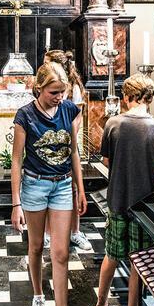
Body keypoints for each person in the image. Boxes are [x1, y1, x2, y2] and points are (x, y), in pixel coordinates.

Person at [11, 62, 92, 306]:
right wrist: (16, 202)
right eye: (54, 92)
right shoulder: (25, 115)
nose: (59, 97)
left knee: (60, 253)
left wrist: (80, 189)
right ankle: (36, 294)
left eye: (62, 92)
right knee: (35, 248)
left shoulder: (70, 109)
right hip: (33, 186)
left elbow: (73, 150)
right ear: (39, 88)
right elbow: (17, 161)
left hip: (62, 186)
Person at [90, 73, 154, 306]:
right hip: (145, 208)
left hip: (117, 201)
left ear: (126, 97)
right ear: (150, 98)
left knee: (112, 254)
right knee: (138, 262)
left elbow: (105, 160)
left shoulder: (113, 123)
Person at [43, 50, 92, 252]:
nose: (43, 66)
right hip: (47, 143)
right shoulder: (44, 84)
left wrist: (69, 133)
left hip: (67, 143)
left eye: (47, 63)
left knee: (71, 189)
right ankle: (46, 233)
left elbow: (78, 115)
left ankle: (75, 232)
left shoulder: (73, 88)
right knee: (45, 187)